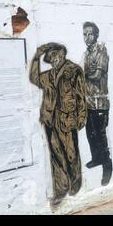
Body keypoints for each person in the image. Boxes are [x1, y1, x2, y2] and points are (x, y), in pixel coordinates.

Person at [29, 43, 87, 207]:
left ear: (62, 54)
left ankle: (75, 183)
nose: (52, 60)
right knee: (56, 156)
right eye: (50, 58)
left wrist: (81, 116)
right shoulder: (47, 76)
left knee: (71, 154)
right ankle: (61, 189)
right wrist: (36, 57)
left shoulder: (73, 70)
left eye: (54, 56)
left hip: (67, 119)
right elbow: (34, 78)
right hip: (50, 120)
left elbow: (81, 95)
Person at [82, 22, 113, 186]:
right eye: (84, 34)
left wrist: (83, 74)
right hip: (89, 102)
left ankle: (107, 166)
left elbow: (96, 75)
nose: (87, 37)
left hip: (100, 102)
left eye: (90, 34)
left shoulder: (101, 50)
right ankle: (96, 159)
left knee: (101, 137)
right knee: (90, 134)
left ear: (96, 35)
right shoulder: (86, 54)